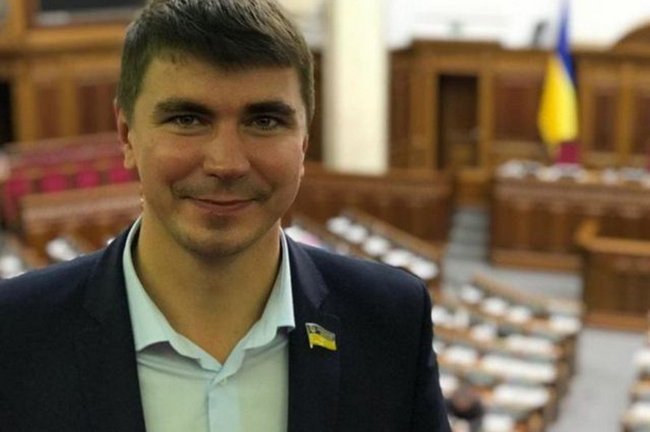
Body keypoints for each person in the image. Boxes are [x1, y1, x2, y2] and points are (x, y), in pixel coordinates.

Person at [0, 0, 451, 431]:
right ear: (126, 135)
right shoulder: (16, 332)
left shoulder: (389, 322)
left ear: (304, 141)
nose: (227, 163)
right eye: (187, 119)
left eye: (264, 121)